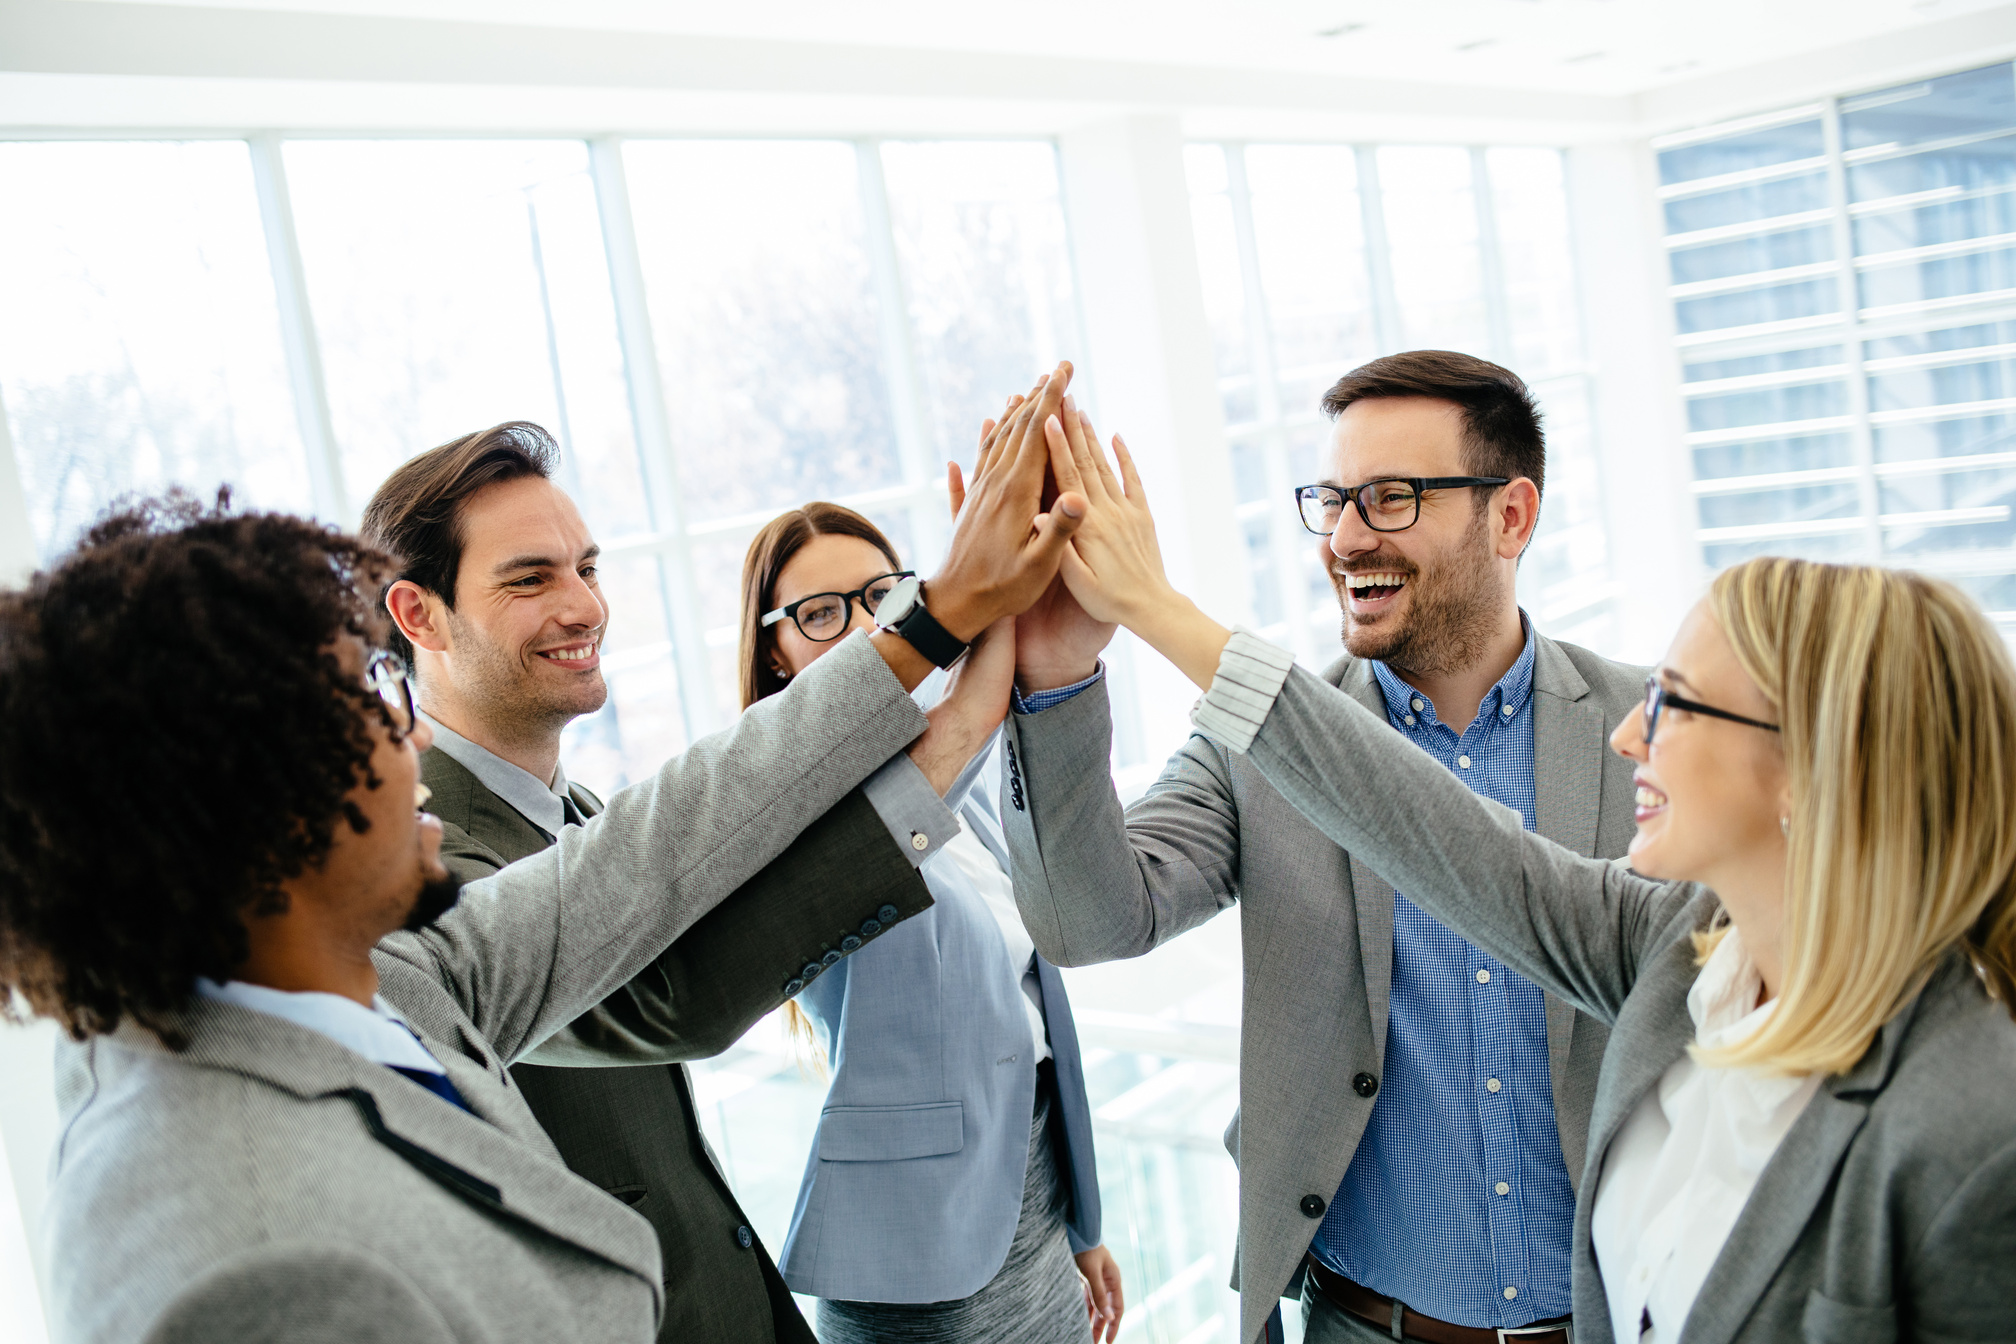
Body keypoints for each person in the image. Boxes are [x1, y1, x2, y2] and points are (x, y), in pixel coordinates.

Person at [3, 362, 1089, 1344]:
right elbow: (669, 978)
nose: (410, 733)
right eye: (369, 702)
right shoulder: (238, 1249)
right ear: (249, 800)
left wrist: (945, 621)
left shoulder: (406, 976)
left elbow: (662, 841)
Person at [1032, 405, 2016, 1341]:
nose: (1638, 734)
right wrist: (1124, 631)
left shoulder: (1975, 1122)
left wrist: (1158, 606)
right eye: (1336, 500)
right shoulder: (1679, 948)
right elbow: (1432, 832)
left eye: (1676, 706)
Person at [1001, 354, 1641, 1344]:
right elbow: (1086, 921)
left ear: (1511, 516)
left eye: (1390, 499)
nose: (1345, 539)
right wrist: (1055, 672)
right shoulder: (1259, 754)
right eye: (1332, 501)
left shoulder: (1646, 732)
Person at [360, 420, 986, 1344]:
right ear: (417, 616)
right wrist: (955, 659)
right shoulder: (415, 870)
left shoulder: (573, 813)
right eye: (530, 578)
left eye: (588, 568)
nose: (584, 607)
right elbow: (669, 994)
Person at [738, 496, 1123, 1344]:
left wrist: (1079, 1224)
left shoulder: (969, 798)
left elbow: (1035, 1019)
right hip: (918, 1256)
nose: (860, 631)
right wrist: (988, 602)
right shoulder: (780, 806)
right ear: (775, 646)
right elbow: (965, 731)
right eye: (819, 614)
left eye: (883, 598)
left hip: (1033, 1205)